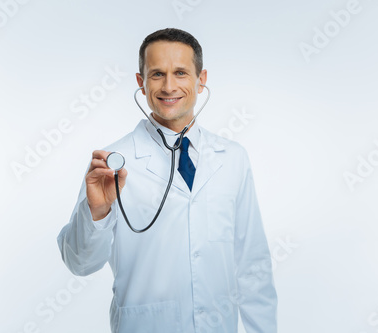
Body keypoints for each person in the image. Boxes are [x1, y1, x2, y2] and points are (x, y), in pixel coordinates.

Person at [57, 28, 277, 333]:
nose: (169, 86)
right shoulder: (112, 162)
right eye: (157, 74)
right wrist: (97, 213)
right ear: (141, 82)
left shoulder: (232, 158)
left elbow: (253, 265)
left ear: (202, 80)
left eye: (181, 73)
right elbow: (80, 264)